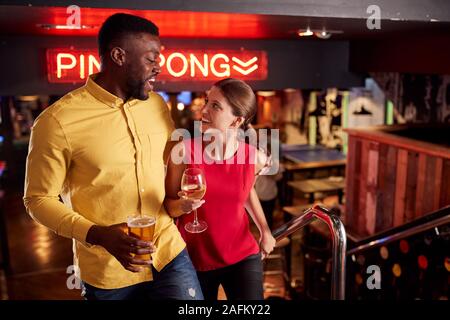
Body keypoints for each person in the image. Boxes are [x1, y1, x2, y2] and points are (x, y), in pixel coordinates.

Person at [23, 13, 203, 300]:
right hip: (107, 271)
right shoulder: (56, 121)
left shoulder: (156, 105)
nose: (159, 67)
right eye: (151, 58)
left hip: (168, 252)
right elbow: (38, 200)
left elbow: (173, 161)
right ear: (119, 56)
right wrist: (99, 235)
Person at [164, 78, 276, 300]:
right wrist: (183, 206)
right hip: (194, 259)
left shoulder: (254, 158)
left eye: (215, 106)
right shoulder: (183, 152)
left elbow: (245, 192)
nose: (204, 109)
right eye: (207, 101)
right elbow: (168, 206)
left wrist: (265, 230)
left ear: (237, 121)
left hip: (242, 254)